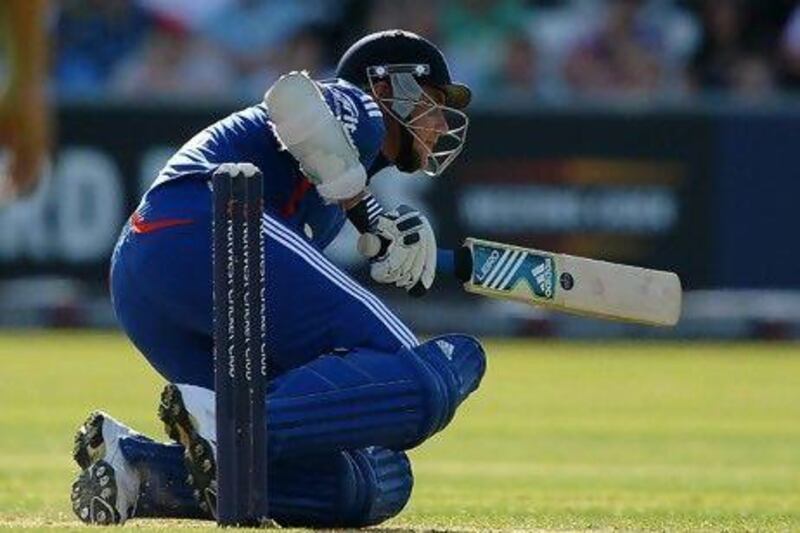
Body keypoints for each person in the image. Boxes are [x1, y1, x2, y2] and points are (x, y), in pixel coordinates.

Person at [70, 29, 486, 527]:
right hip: (205, 222)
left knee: (367, 483)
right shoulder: (360, 105)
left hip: (144, 278)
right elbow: (291, 99)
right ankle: (233, 429)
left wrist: (382, 227)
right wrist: (369, 215)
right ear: (388, 85)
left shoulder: (343, 166)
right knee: (433, 368)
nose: (441, 122)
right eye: (434, 101)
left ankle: (140, 472)